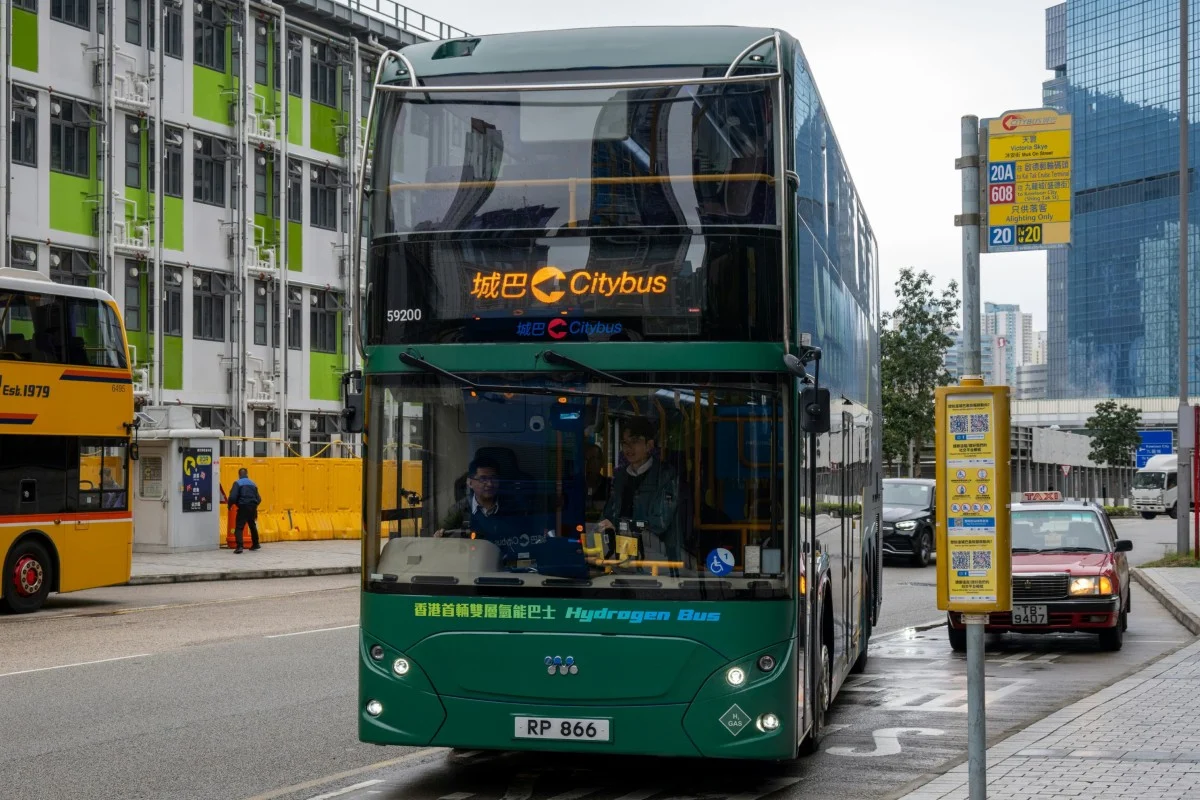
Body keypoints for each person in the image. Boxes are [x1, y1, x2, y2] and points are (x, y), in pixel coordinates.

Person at [599, 417, 681, 561]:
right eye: (625, 443)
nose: (628, 448)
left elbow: (659, 522)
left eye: (635, 441)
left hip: (657, 555)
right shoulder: (620, 477)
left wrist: (621, 524)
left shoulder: (666, 476)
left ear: (649, 445)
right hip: (623, 553)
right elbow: (608, 515)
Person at [435, 455, 513, 540]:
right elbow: (440, 538)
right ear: (470, 483)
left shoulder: (512, 507)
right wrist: (439, 535)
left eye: (493, 478)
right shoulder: (458, 510)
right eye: (483, 479)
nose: (490, 484)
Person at [228, 468, 262, 553]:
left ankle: (239, 547)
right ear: (247, 474)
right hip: (253, 506)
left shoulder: (237, 483)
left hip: (243, 506)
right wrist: (254, 505)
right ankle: (256, 544)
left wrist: (230, 505)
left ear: (239, 475)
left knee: (239, 527)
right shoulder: (253, 484)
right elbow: (259, 498)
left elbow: (232, 497)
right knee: (252, 525)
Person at [583, 443, 611, 519]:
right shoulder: (576, 486)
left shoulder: (610, 485)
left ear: (601, 462)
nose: (588, 464)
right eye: (585, 459)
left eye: (593, 459)